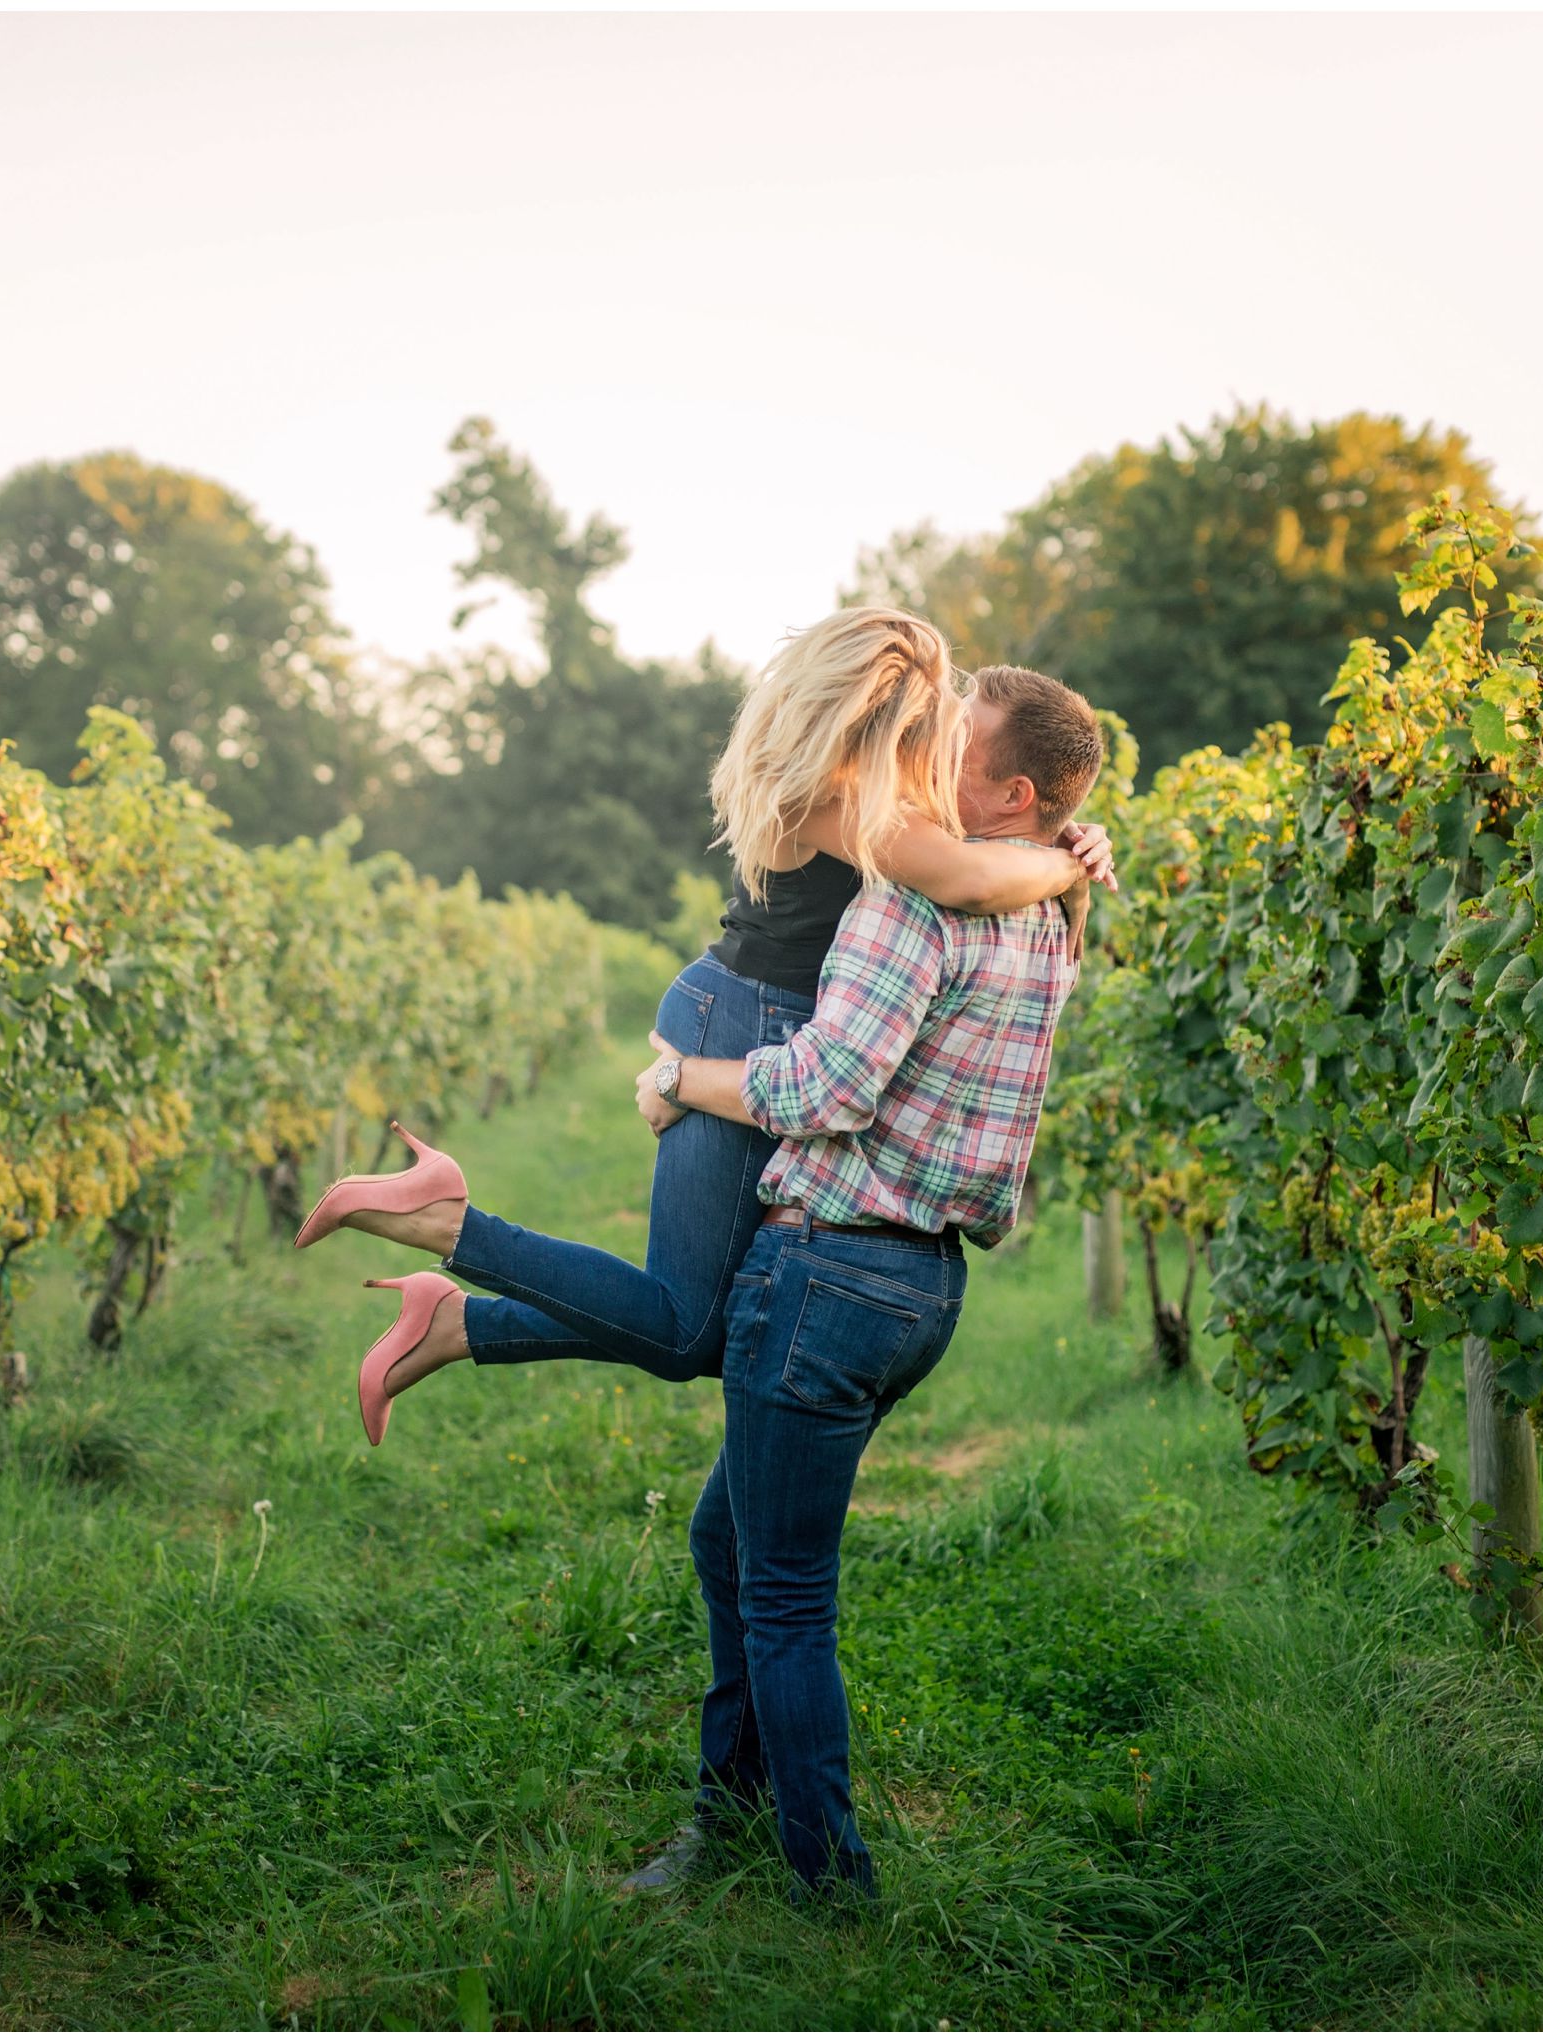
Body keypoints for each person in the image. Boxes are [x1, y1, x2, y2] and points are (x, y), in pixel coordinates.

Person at [321, 661, 1105, 1902]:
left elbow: (824, 1089)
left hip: (831, 1271)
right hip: (925, 1291)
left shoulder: (913, 895)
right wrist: (1069, 854)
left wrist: (680, 1080)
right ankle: (720, 1820)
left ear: (1010, 793)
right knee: (724, 1537)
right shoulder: (1055, 917)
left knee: (780, 1588)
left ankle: (826, 1883)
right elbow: (995, 882)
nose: (923, 753)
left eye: (952, 741)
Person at [295, 608, 1109, 1426]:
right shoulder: (831, 798)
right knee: (689, 1328)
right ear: (878, 714)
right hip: (746, 1019)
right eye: (932, 715)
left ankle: (454, 1321)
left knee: (719, 1321)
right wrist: (1061, 861)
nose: (943, 739)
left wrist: (1064, 833)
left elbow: (982, 841)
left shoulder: (881, 791)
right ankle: (447, 1225)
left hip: (766, 1016)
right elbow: (969, 877)